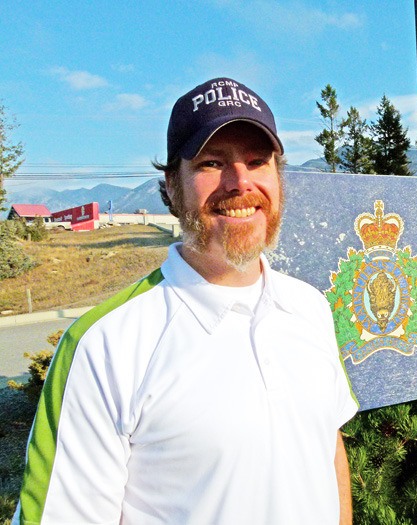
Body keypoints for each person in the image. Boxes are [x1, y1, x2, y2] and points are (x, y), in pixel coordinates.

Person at [13, 77, 358, 525]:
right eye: (212, 163)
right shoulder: (103, 345)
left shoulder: (310, 308)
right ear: (172, 185)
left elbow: (328, 451)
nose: (240, 183)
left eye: (258, 161)